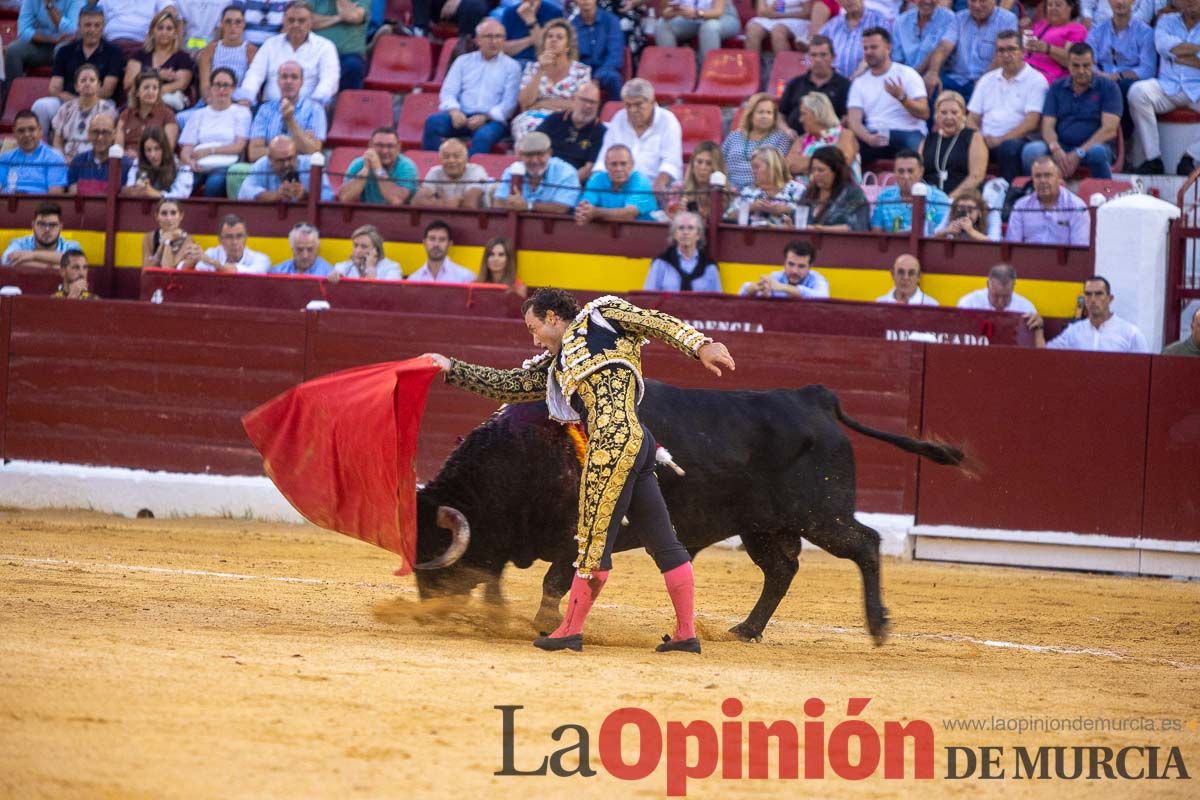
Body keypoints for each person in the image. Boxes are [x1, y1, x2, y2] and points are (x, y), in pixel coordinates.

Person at [424, 288, 735, 653]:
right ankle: (686, 633)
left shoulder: (602, 315)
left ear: (552, 317)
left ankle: (569, 630)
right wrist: (452, 368)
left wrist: (701, 346)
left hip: (610, 445)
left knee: (590, 545)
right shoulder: (555, 367)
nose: (533, 337)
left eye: (533, 327)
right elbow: (507, 383)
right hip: (639, 442)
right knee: (663, 540)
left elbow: (653, 321)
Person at [423, 19, 522, 156]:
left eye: (498, 37)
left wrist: (485, 117)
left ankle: (467, 175)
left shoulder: (512, 67)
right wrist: (454, 111)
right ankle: (432, 170)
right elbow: (448, 92)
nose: (494, 41)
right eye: (489, 36)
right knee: (433, 123)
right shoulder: (463, 61)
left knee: (483, 136)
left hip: (491, 121)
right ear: (478, 40)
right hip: (461, 116)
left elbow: (508, 105)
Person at [1021, 43, 1121, 178]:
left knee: (1097, 152)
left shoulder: (1109, 87)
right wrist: (1055, 148)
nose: (1081, 71)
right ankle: (1033, 194)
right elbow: (1047, 126)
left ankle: (1104, 195)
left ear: (1093, 64)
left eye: (1086, 65)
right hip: (1061, 146)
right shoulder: (1057, 87)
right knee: (1031, 151)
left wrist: (1079, 153)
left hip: (1094, 146)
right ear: (1068, 65)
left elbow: (1109, 130)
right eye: (1076, 65)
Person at [1127, 0, 1200, 176]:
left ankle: (1190, 157)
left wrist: (1175, 55)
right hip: (1167, 86)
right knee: (1137, 92)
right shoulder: (1166, 20)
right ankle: (1153, 158)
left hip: (1197, 89)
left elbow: (1171, 50)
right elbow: (1162, 46)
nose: (1189, 1)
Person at [966, 29, 1049, 182]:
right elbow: (971, 118)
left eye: (1011, 49)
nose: (1006, 55)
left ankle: (1008, 197)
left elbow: (1031, 122)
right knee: (961, 144)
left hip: (1018, 138)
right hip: (985, 139)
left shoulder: (1036, 80)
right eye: (1001, 50)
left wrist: (1001, 139)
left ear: (1022, 51)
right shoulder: (987, 80)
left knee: (1008, 148)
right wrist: (979, 138)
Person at [31, 5, 124, 135]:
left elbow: (107, 90)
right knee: (41, 106)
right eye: (87, 25)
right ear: (79, 26)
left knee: (108, 109)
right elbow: (53, 88)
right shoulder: (65, 51)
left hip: (99, 102)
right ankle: (42, 150)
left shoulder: (114, 52)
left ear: (103, 27)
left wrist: (85, 101)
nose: (92, 30)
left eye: (97, 25)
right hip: (67, 100)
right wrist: (75, 102)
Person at [846, 27, 930, 163]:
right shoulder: (859, 82)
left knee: (915, 154)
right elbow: (853, 121)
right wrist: (868, 138)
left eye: (874, 47)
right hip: (874, 132)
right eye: (865, 48)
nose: (868, 52)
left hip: (907, 131)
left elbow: (924, 113)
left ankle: (920, 183)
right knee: (845, 147)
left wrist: (903, 98)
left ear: (888, 48)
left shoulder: (907, 74)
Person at [236, 0, 340, 106]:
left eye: (301, 21)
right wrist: (247, 96)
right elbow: (255, 74)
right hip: (270, 109)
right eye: (291, 20)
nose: (295, 24)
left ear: (310, 23)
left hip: (308, 109)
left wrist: (314, 103)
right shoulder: (270, 45)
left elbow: (329, 80)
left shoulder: (325, 47)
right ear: (284, 21)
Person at [593, 79, 683, 197]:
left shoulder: (668, 121)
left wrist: (659, 184)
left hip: (653, 190)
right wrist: (597, 183)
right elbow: (603, 159)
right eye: (628, 105)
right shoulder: (619, 118)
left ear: (652, 101)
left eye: (638, 105)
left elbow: (672, 163)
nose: (632, 110)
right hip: (618, 188)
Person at [511, 18, 592, 139]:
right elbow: (525, 103)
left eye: (559, 37)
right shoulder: (533, 68)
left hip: (565, 119)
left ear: (568, 46)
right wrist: (540, 71)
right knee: (527, 127)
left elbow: (580, 106)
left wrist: (542, 103)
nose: (553, 40)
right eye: (550, 36)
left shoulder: (581, 71)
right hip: (532, 118)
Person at [1086, 0, 1155, 142]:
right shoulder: (1098, 31)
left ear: (1133, 1)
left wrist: (1118, 76)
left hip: (1126, 82)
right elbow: (1087, 60)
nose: (1120, 2)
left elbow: (1147, 69)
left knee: (1123, 87)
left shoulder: (1145, 32)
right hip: (1101, 77)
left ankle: (1123, 141)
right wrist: (1099, 74)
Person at [178, 67, 252, 196]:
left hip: (226, 164)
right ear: (210, 88)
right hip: (198, 164)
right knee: (186, 183)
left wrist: (209, 151)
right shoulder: (197, 115)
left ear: (233, 88)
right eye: (217, 85)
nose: (221, 90)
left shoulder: (242, 113)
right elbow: (186, 148)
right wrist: (190, 162)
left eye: (226, 85)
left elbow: (239, 146)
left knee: (214, 184)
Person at [927, 0, 1019, 99]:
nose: (977, 6)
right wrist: (933, 72)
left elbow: (1002, 55)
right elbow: (943, 47)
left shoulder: (1007, 19)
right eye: (973, 1)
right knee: (931, 86)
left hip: (988, 80)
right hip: (957, 79)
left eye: (982, 1)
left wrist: (985, 80)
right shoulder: (959, 18)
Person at [1034, 275, 1149, 351]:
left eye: (1099, 294)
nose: (1093, 299)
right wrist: (1038, 330)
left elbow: (1143, 368)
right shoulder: (1073, 332)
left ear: (1110, 298)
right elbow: (1044, 356)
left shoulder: (1130, 333)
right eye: (1088, 294)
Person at [245, 61, 327, 162]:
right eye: (284, 77)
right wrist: (298, 144)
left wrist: (290, 121)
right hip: (268, 166)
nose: (289, 81)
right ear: (278, 81)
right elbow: (253, 153)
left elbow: (313, 152)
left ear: (301, 82)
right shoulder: (265, 110)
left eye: (294, 77)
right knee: (237, 170)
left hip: (300, 166)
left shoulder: (315, 109)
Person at [1005, 155, 1091, 245]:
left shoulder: (1077, 207)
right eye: (1038, 176)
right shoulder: (1020, 206)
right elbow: (1012, 247)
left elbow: (1079, 251)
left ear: (1059, 178)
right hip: (1028, 258)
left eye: (1048, 175)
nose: (1042, 180)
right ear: (1032, 180)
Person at [535, 80, 607, 184]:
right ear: (573, 99)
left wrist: (564, 184)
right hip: (543, 177)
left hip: (572, 185)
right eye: (584, 100)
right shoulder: (554, 119)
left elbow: (589, 169)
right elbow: (533, 145)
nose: (588, 106)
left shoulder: (600, 132)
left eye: (593, 102)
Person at [494, 131, 582, 213]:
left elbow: (562, 207)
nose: (535, 161)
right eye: (529, 155)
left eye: (540, 154)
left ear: (550, 153)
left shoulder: (566, 172)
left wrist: (527, 206)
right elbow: (499, 203)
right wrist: (510, 205)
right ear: (520, 155)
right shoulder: (512, 171)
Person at [123, 9, 194, 111]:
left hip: (168, 106)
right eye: (160, 28)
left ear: (175, 33)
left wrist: (151, 93)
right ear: (152, 31)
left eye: (169, 29)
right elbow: (129, 82)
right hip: (139, 103)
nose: (164, 32)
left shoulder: (183, 57)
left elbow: (181, 84)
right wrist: (158, 73)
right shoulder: (139, 55)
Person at [721, 93, 795, 192]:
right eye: (760, 112)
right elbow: (720, 162)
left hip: (761, 192)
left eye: (769, 113)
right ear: (751, 115)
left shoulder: (781, 138)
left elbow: (778, 169)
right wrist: (727, 187)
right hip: (730, 190)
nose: (765, 116)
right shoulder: (734, 136)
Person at [919, 91, 987, 197]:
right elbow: (917, 173)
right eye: (943, 112)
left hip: (961, 200)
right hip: (930, 200)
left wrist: (949, 199)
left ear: (963, 114)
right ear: (936, 115)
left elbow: (976, 176)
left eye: (954, 112)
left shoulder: (974, 137)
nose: (949, 117)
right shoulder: (928, 140)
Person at [870, 149, 952, 234]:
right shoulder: (884, 197)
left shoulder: (939, 199)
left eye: (910, 171)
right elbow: (876, 234)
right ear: (894, 172)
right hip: (893, 246)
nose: (906, 176)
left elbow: (942, 235)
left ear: (921, 172)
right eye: (901, 171)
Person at [779, 35, 852, 128]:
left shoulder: (845, 86)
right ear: (808, 58)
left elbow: (847, 118)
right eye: (813, 55)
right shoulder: (795, 83)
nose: (818, 60)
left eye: (823, 55)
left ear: (833, 57)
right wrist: (786, 131)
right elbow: (780, 115)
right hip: (793, 139)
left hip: (829, 139)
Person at [786, 91, 861, 181]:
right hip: (805, 193)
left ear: (818, 114)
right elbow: (788, 165)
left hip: (840, 192)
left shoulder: (845, 135)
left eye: (803, 114)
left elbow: (842, 162)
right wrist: (825, 162)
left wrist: (804, 164)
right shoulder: (801, 140)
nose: (800, 120)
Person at [3, 0, 83, 83]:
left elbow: (72, 31)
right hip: (42, 44)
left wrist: (50, 6)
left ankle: (63, 91)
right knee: (13, 50)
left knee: (61, 50)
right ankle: (12, 93)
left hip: (69, 45)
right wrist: (52, 40)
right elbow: (23, 31)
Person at [50, 64, 119, 161]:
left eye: (92, 80)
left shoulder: (107, 110)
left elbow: (110, 140)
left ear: (99, 85)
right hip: (66, 160)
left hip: (95, 160)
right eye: (83, 80)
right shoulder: (66, 109)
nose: (87, 83)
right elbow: (57, 140)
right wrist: (61, 160)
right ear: (76, 86)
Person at [576, 145, 659, 224]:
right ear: (606, 165)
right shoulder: (596, 179)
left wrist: (595, 212)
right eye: (613, 164)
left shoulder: (641, 181)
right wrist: (584, 211)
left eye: (623, 164)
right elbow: (585, 205)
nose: (618, 169)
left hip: (642, 233)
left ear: (632, 164)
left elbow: (629, 214)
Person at [238, 135, 335, 201]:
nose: (286, 164)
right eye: (280, 161)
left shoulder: (311, 164)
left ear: (296, 154)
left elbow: (328, 195)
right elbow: (244, 191)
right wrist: (274, 196)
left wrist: (306, 196)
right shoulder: (262, 164)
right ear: (270, 159)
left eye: (290, 158)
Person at [337, 127, 419, 206]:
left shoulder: (407, 166)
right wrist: (365, 170)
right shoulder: (359, 164)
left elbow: (396, 200)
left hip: (399, 217)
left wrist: (378, 169)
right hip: (366, 215)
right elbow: (345, 198)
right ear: (371, 145)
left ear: (398, 147)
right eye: (380, 145)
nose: (384, 151)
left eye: (390, 146)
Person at [796, 145, 871, 230]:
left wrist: (822, 230)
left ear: (836, 171)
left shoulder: (853, 194)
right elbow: (799, 221)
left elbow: (858, 226)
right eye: (813, 170)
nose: (815, 174)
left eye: (821, 170)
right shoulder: (809, 192)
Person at [725, 147, 805, 227]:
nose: (753, 171)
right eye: (752, 168)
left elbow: (807, 216)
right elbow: (727, 216)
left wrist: (784, 209)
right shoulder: (748, 191)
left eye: (756, 167)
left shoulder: (797, 189)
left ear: (772, 167)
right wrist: (751, 207)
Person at [644, 211, 721, 292]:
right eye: (681, 228)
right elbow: (648, 297)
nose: (685, 232)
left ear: (698, 235)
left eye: (690, 228)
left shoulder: (709, 266)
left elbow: (717, 301)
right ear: (674, 234)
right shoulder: (661, 263)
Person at [195, 5, 258, 100]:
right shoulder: (209, 51)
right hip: (212, 101)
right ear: (221, 24)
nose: (233, 26)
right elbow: (205, 87)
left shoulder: (251, 51)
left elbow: (252, 84)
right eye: (228, 22)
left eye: (238, 22)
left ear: (243, 24)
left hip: (240, 102)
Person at [0, 111, 68, 195]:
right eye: (21, 131)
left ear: (40, 131)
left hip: (39, 206)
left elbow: (54, 195)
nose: (27, 134)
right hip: (6, 205)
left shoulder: (54, 158)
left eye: (31, 129)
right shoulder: (5, 158)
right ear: (14, 133)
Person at [411, 138, 490, 209]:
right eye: (446, 156)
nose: (451, 160)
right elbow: (417, 202)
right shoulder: (434, 172)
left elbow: (470, 205)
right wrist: (445, 204)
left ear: (466, 159)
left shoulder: (476, 171)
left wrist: (435, 203)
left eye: (456, 156)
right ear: (440, 159)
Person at [116, 70, 180, 157]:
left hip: (155, 163)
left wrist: (140, 157)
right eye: (146, 88)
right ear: (137, 92)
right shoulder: (125, 115)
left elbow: (168, 149)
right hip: (127, 161)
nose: (151, 92)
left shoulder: (168, 115)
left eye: (155, 88)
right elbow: (118, 147)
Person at [655, 0, 741, 65]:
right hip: (692, 19)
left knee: (709, 27)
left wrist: (696, 13)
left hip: (723, 17)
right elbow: (664, 12)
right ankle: (671, 69)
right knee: (663, 24)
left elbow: (717, 12)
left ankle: (707, 73)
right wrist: (671, 12)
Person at [820, 0, 889, 79]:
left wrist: (855, 77)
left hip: (868, 81)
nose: (849, 1)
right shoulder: (831, 26)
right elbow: (812, 53)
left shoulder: (878, 20)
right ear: (838, 2)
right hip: (833, 84)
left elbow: (880, 53)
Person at [738, 239, 831, 299]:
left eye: (801, 266)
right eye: (791, 264)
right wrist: (757, 289)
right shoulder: (776, 277)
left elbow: (823, 297)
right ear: (784, 262)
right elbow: (742, 293)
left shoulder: (817, 279)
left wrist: (783, 287)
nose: (794, 271)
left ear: (810, 266)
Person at [67, 113, 132, 196]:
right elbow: (73, 196)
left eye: (105, 132)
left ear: (114, 134)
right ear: (88, 134)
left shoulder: (126, 164)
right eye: (95, 132)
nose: (100, 137)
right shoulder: (78, 161)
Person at [1025, 0, 1089, 84]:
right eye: (1050, 5)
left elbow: (1070, 60)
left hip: (1048, 76)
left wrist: (1048, 49)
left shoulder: (1077, 29)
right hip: (1026, 69)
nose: (1053, 8)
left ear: (1070, 7)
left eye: (1058, 5)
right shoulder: (1041, 24)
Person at [310, 0, 369, 90]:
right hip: (317, 53)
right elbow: (307, 22)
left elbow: (352, 16)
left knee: (353, 66)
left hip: (348, 55)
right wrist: (338, 18)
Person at [121, 125, 195, 199]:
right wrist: (133, 190)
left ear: (164, 148)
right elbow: (130, 186)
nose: (152, 155)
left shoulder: (181, 169)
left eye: (157, 149)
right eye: (148, 150)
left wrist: (154, 193)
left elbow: (181, 195)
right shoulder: (137, 165)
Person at [1, 202, 82, 267]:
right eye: (42, 224)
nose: (47, 230)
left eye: (53, 225)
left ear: (60, 227)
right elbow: (5, 260)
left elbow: (76, 261)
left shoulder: (71, 245)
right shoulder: (19, 243)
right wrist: (54, 266)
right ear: (33, 225)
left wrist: (33, 255)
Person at [745, 0, 839, 56]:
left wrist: (780, 15)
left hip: (795, 18)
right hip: (769, 18)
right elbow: (760, 12)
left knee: (778, 31)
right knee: (752, 31)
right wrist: (769, 11)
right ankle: (753, 73)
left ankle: (783, 74)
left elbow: (807, 13)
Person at [571, 0, 623, 100]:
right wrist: (583, 75)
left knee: (613, 78)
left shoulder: (611, 21)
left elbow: (614, 54)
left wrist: (597, 77)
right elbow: (571, 57)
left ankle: (616, 110)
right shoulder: (572, 25)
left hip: (606, 70)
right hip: (581, 71)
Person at [667, 139, 728, 221]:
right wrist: (678, 214)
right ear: (692, 165)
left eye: (709, 163)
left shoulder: (727, 194)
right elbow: (669, 218)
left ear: (716, 167)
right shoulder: (678, 190)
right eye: (699, 162)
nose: (703, 167)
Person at [892, 0, 955, 78]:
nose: (927, 1)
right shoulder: (901, 21)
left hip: (935, 75)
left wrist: (915, 76)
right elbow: (897, 59)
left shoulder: (949, 19)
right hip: (905, 76)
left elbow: (941, 50)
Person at [956, 263, 1040, 322]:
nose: (1000, 302)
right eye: (996, 296)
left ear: (1014, 286)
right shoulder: (969, 304)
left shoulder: (1026, 308)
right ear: (988, 285)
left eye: (1006, 297)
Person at [195, 214, 272, 273]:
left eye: (239, 236)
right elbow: (200, 269)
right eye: (229, 237)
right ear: (220, 240)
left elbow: (247, 273)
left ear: (246, 238)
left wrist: (214, 263)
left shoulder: (262, 259)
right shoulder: (211, 253)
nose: (234, 242)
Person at [407, 220, 476, 282]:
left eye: (442, 239)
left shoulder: (465, 277)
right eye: (432, 239)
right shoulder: (413, 279)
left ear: (449, 244)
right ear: (424, 243)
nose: (436, 244)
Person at [502, 0, 566, 65]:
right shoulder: (509, 12)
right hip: (514, 63)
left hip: (543, 62)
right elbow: (504, 49)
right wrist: (535, 37)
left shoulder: (554, 12)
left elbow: (545, 48)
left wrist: (531, 21)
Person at [143, 198, 201, 269]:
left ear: (181, 216)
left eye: (173, 213)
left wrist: (167, 241)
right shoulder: (149, 237)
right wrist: (161, 247)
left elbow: (168, 269)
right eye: (164, 213)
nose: (169, 218)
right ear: (156, 216)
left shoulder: (188, 240)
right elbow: (145, 271)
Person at [331, 224, 403, 279]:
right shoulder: (342, 267)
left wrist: (370, 268)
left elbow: (384, 294)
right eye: (355, 245)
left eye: (364, 246)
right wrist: (335, 277)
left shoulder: (392, 268)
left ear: (376, 250)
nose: (358, 251)